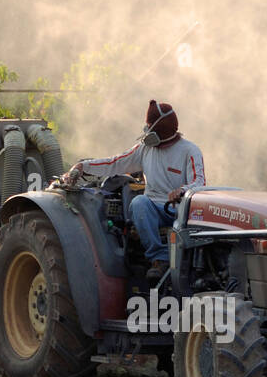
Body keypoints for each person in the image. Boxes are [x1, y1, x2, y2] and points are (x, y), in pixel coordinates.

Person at [62, 100, 206, 281]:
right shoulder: (145, 149)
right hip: (153, 209)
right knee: (139, 203)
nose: (145, 131)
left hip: (181, 211)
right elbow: (115, 163)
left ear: (158, 131)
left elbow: (199, 182)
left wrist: (183, 190)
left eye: (148, 127)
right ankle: (159, 259)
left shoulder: (190, 150)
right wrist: (83, 166)